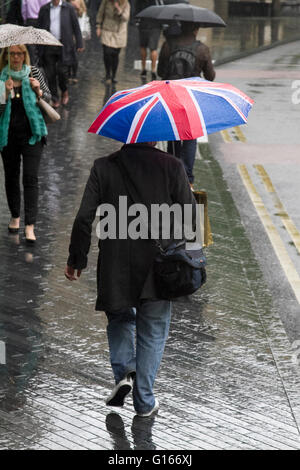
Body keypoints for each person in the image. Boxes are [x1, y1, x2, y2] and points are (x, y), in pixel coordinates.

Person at [64, 142, 196, 416]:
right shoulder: (173, 166)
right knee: (153, 330)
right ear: (157, 136)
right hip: (159, 267)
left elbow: (83, 218)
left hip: (115, 265)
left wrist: (77, 258)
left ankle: (126, 371)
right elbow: (191, 219)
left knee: (120, 318)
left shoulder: (103, 166)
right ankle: (144, 401)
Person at [0, 45, 51, 243]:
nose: (16, 57)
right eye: (12, 53)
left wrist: (38, 90)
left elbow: (49, 98)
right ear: (7, 55)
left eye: (20, 53)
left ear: (25, 55)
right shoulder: (2, 75)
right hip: (8, 135)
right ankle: (15, 216)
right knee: (11, 177)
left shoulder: (34, 72)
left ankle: (30, 225)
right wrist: (4, 93)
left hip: (33, 134)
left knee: (30, 178)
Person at [158, 21, 216, 188]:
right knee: (190, 137)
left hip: (171, 95)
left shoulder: (168, 45)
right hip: (191, 97)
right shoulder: (202, 49)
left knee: (173, 136)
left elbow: (161, 71)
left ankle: (171, 174)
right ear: (196, 30)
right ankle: (188, 179)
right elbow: (210, 77)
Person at [38, 0, 84, 107]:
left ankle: (64, 90)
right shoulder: (44, 9)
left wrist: (79, 43)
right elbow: (39, 27)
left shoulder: (68, 8)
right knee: (50, 73)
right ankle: (55, 97)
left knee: (62, 72)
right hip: (48, 44)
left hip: (64, 45)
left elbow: (75, 26)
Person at [96, 0, 130, 85]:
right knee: (107, 52)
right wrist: (98, 26)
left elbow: (126, 18)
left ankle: (113, 75)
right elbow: (100, 13)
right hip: (107, 30)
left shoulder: (126, 4)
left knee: (115, 55)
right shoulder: (106, 2)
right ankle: (108, 74)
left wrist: (118, 9)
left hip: (119, 32)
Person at [136, 0, 163, 81]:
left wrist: (137, 21)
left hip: (143, 24)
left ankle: (143, 69)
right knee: (153, 49)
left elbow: (137, 9)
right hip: (155, 25)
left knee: (143, 46)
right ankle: (153, 70)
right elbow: (161, 9)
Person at [21, 0, 50, 65]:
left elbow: (24, 9)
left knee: (31, 44)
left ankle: (33, 64)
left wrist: (25, 20)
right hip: (42, 19)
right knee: (43, 41)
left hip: (30, 20)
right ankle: (42, 61)